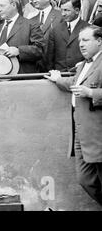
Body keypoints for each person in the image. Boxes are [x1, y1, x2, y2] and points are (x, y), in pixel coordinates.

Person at [45, 25, 102, 206]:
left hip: (98, 132)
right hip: (81, 132)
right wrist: (57, 79)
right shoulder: (84, 64)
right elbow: (74, 83)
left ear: (100, 41)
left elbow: (85, 89)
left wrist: (91, 93)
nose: (81, 45)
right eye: (79, 41)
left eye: (86, 40)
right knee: (85, 179)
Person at [0, 0, 45, 74]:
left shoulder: (31, 25)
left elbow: (39, 50)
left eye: (2, 6)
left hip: (20, 78)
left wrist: (19, 50)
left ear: (14, 5)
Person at [46, 0, 89, 71]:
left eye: (66, 10)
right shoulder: (55, 30)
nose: (63, 14)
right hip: (59, 76)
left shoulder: (88, 29)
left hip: (79, 74)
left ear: (77, 10)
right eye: (61, 10)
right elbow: (50, 58)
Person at [30, 0, 62, 72]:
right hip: (36, 68)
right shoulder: (31, 20)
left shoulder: (60, 16)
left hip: (55, 66)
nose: (34, 1)